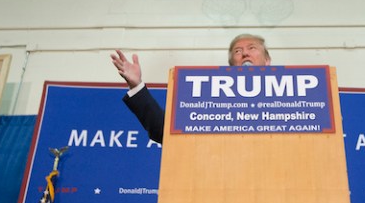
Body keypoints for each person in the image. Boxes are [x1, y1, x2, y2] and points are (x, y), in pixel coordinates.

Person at [111, 34, 272, 143]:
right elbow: (164, 131)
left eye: (252, 48)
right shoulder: (210, 99)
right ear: (231, 65)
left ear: (267, 60)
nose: (244, 53)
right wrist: (136, 85)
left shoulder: (294, 94)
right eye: (238, 51)